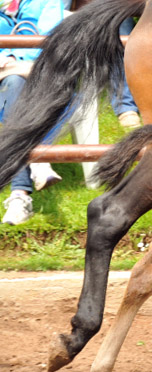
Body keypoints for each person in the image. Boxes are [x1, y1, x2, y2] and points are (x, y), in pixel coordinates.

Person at [1, 0, 65, 225]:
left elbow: (50, 44)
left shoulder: (47, 2)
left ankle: (19, 195)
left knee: (17, 84)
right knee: (14, 84)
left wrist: (14, 63)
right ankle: (37, 158)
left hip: (33, 75)